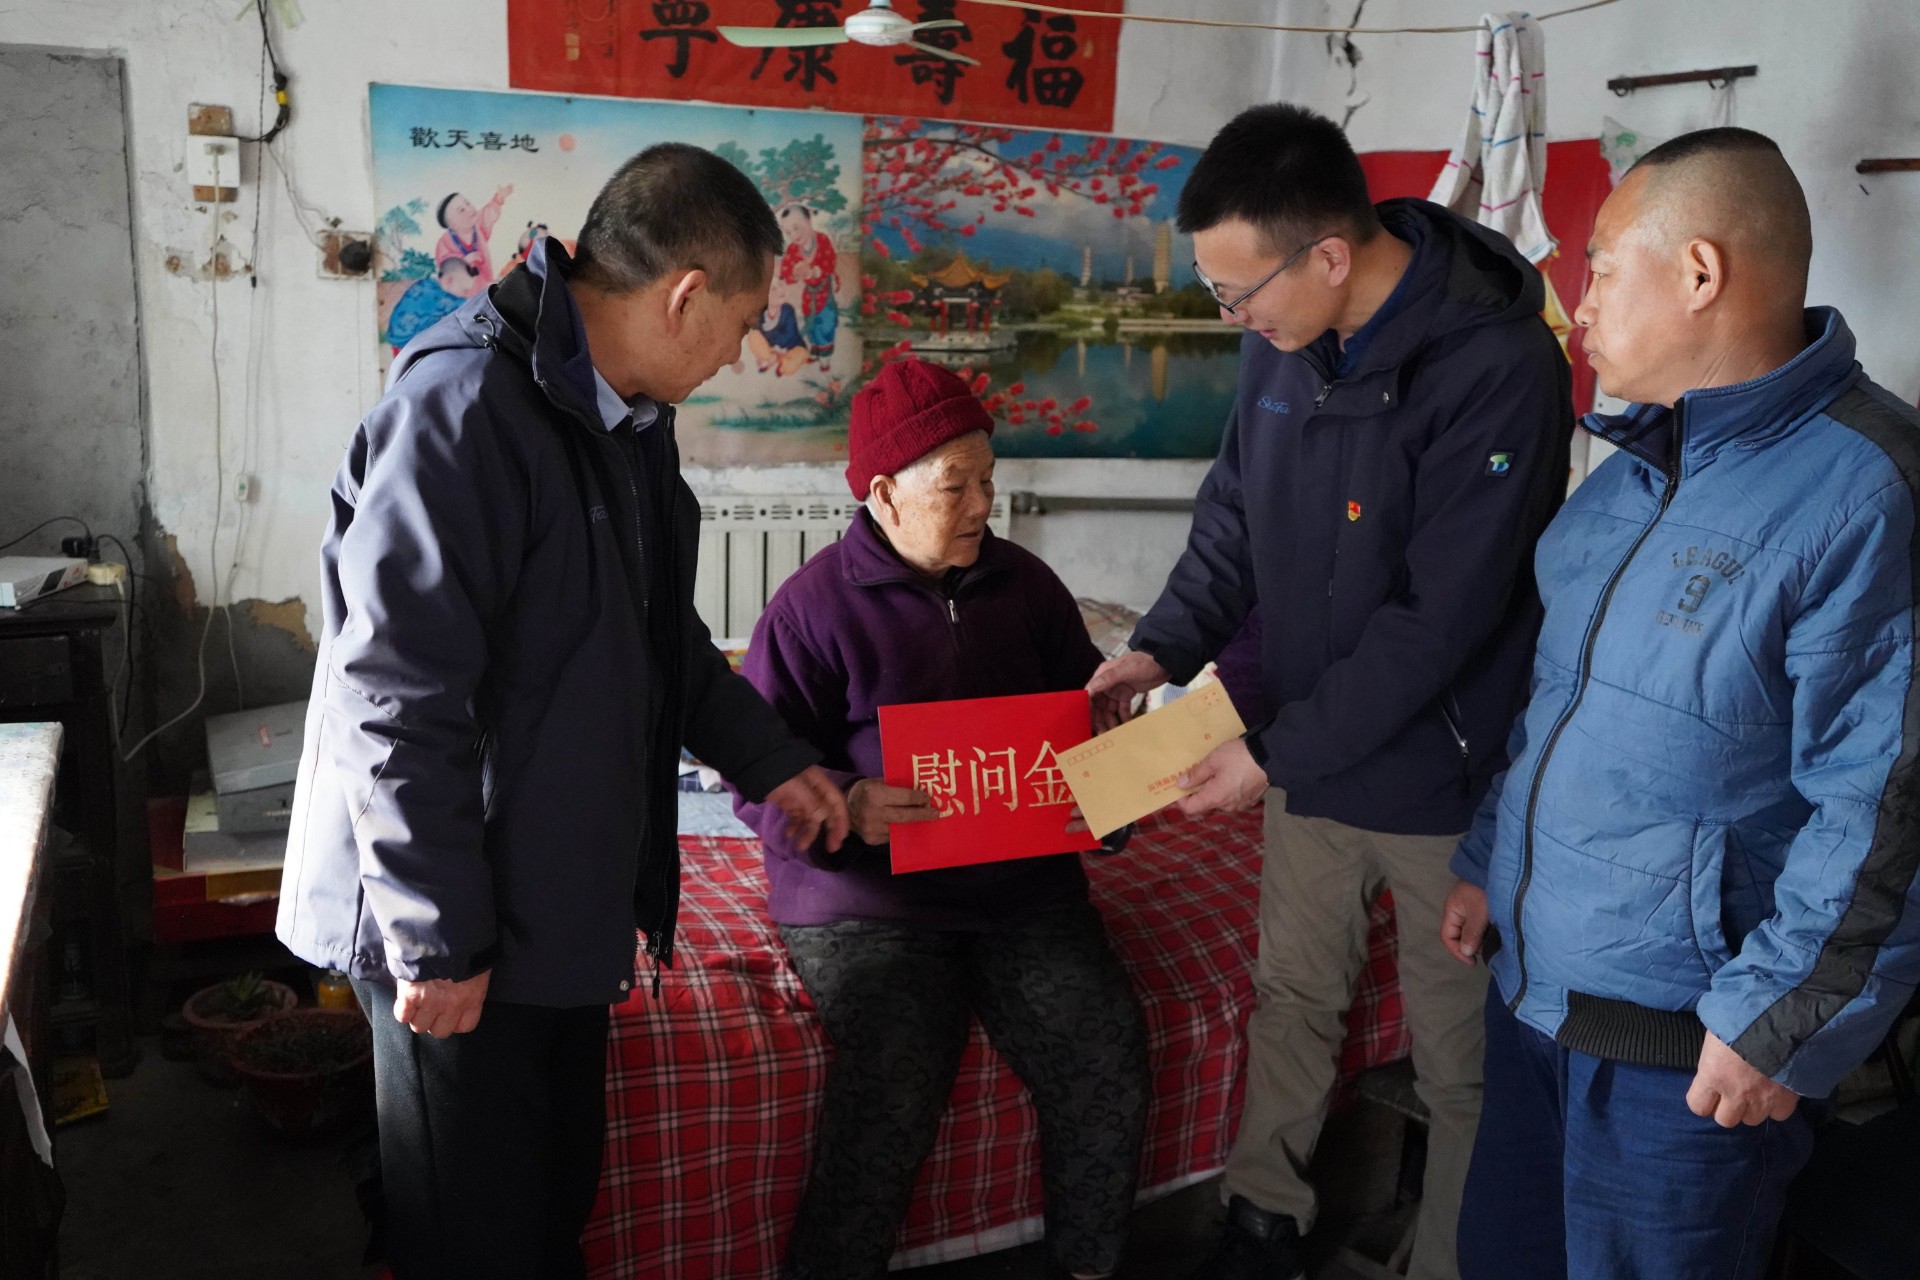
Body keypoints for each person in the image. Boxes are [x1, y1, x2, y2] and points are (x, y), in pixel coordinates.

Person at [279, 144, 851, 1280]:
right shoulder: (461, 412)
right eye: (742, 325)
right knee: (471, 1234)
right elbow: (393, 698)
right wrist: (439, 937)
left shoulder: (625, 420)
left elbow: (658, 638)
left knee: (550, 1206)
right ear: (685, 295)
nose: (741, 352)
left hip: (556, 901)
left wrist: (773, 760)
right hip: (457, 907)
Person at [1085, 103, 1572, 1280]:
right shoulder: (1284, 341)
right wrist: (1159, 647)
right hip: (1307, 753)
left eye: (1237, 293)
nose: (1232, 318)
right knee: (1294, 993)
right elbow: (1233, 519)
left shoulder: (1501, 368)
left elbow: (1439, 622)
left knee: (1458, 1056)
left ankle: (1450, 1258)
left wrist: (1268, 753)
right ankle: (1265, 1220)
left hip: (1443, 778)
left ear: (1333, 256)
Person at [1443, 126, 1920, 1280]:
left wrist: (1779, 1020)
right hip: (1534, 1005)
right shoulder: (1627, 478)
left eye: (1603, 266)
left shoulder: (1869, 491)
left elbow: (1886, 807)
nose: (1580, 304)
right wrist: (1489, 855)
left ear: (1700, 272)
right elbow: (1562, 705)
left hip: (1690, 1057)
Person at [733, 358, 1151, 1280]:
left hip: (1020, 888)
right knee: (896, 1073)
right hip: (869, 900)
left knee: (1103, 1044)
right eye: (956, 487)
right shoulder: (810, 610)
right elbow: (755, 777)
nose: (982, 507)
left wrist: (1119, 771)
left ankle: (1088, 1266)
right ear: (884, 493)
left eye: (989, 482)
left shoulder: (1028, 588)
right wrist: (845, 801)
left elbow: (1084, 727)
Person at [432, 183, 512, 288]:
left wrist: (498, 198)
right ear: (452, 224)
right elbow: (446, 268)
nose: (469, 209)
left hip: (486, 282)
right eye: (461, 210)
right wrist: (465, 261)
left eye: (468, 204)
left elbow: (488, 213)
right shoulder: (444, 243)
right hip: (464, 289)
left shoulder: (478, 225)